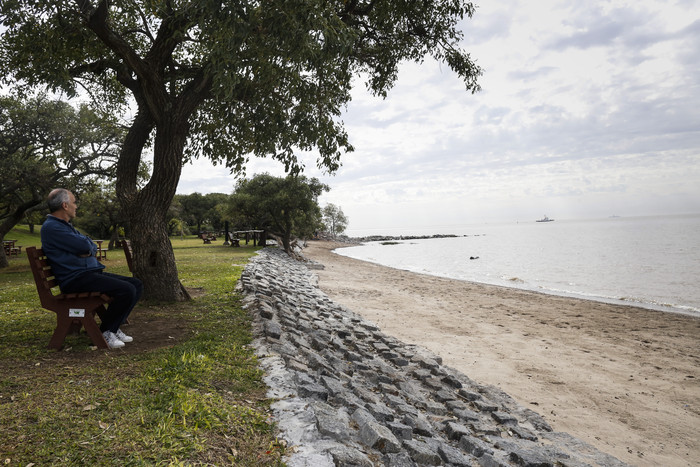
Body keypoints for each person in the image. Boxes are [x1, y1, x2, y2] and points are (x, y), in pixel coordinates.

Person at [41, 188, 143, 349]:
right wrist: (87, 248)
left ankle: (113, 328)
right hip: (75, 279)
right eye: (74, 203)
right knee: (127, 290)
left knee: (136, 284)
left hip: (85, 275)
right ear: (65, 205)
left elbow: (89, 245)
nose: (76, 206)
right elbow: (83, 245)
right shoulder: (52, 227)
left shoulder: (64, 225)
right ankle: (106, 332)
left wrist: (88, 249)